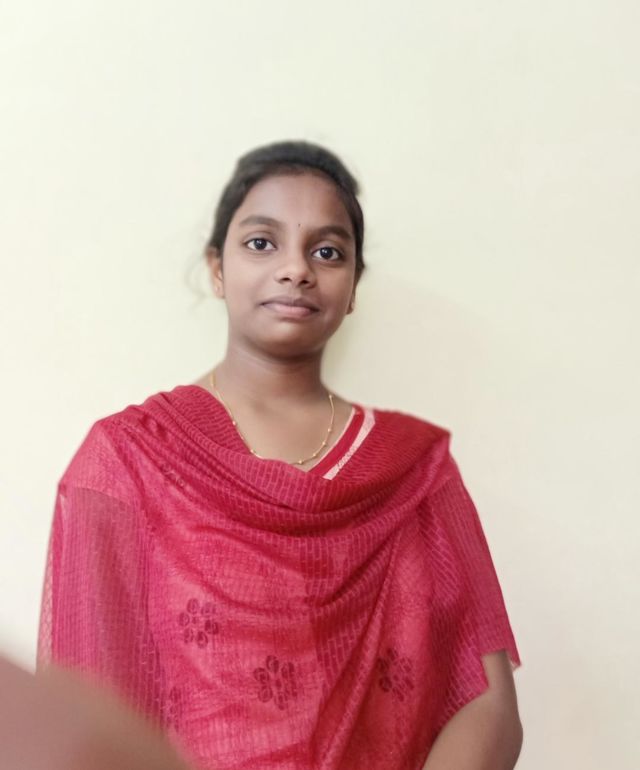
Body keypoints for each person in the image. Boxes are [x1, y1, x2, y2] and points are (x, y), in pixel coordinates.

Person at [37, 140, 523, 770]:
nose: (296, 269)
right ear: (217, 268)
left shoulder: (410, 470)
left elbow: (487, 704)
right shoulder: (130, 459)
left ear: (353, 287)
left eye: (327, 251)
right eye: (262, 242)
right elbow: (84, 713)